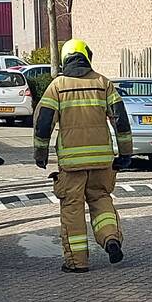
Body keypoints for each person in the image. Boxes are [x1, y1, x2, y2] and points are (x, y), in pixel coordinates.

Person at [33, 39, 133, 273]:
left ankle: (77, 262)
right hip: (102, 161)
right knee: (101, 200)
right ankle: (111, 239)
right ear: (87, 57)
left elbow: (43, 123)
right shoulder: (103, 83)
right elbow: (121, 121)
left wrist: (40, 153)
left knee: (73, 209)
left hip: (71, 165)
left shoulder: (57, 86)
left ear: (65, 58)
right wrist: (126, 153)